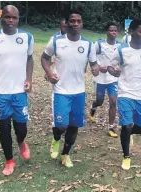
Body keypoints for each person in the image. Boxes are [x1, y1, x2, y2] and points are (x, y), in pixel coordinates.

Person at [41, 10, 100, 168]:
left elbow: (93, 63)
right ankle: (56, 139)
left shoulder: (88, 44)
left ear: (82, 24)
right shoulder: (56, 41)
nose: (75, 24)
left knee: (74, 126)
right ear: (66, 23)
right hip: (61, 91)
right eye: (72, 21)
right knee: (61, 126)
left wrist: (95, 68)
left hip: (78, 92)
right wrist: (49, 72)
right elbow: (44, 58)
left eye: (78, 21)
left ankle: (65, 154)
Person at [0, 5, 34, 176]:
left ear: (18, 19)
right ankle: (9, 160)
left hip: (20, 92)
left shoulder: (27, 37)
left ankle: (21, 142)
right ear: (1, 17)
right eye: (7, 17)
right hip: (0, 92)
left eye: (15, 18)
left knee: (21, 129)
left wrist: (29, 79)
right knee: (4, 128)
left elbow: (29, 58)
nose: (11, 21)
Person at [107, 19, 141, 170]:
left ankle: (128, 135)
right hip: (125, 93)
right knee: (127, 126)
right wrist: (114, 72)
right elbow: (110, 67)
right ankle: (126, 156)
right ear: (132, 31)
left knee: (140, 129)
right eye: (140, 31)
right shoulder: (122, 50)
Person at [89, 23, 121, 138]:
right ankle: (94, 105)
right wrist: (98, 67)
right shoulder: (99, 44)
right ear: (107, 32)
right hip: (100, 79)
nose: (113, 32)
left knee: (113, 101)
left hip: (113, 79)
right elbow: (91, 57)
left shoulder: (120, 46)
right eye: (111, 30)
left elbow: (122, 60)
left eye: (115, 30)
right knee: (100, 101)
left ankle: (111, 127)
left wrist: (119, 70)